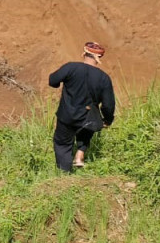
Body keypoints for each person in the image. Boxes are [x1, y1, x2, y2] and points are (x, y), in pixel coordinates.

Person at [48, 41, 116, 172]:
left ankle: (64, 173)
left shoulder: (71, 67)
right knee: (86, 130)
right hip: (89, 118)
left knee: (62, 143)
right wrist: (107, 120)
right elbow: (108, 104)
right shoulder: (104, 78)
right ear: (99, 58)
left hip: (67, 115)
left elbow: (52, 81)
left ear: (84, 53)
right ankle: (80, 153)